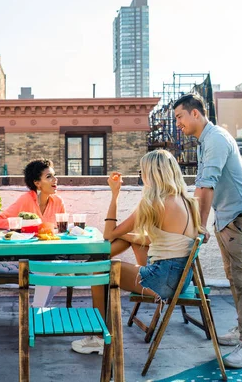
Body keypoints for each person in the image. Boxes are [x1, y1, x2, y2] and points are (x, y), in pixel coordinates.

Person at [72, 149, 203, 355]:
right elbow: (155, 240)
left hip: (163, 282)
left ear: (150, 173)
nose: (141, 175)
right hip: (181, 278)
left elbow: (109, 233)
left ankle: (98, 338)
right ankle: (94, 259)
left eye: (141, 171)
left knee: (99, 272)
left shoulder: (153, 202)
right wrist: (129, 237)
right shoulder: (187, 201)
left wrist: (114, 194)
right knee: (136, 241)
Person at [174, 93, 242, 369]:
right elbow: (201, 186)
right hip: (226, 218)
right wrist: (199, 224)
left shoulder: (216, 139)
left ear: (195, 114)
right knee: (234, 278)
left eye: (179, 117)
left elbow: (207, 186)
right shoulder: (204, 143)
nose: (177, 123)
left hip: (241, 217)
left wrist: (198, 226)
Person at [0, 159, 66, 307]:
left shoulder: (57, 201)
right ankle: (38, 310)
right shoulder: (26, 199)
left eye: (54, 175)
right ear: (37, 183)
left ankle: (37, 309)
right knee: (47, 269)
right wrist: (23, 223)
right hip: (28, 254)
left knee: (64, 274)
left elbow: (62, 231)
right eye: (49, 177)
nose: (55, 180)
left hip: (52, 253)